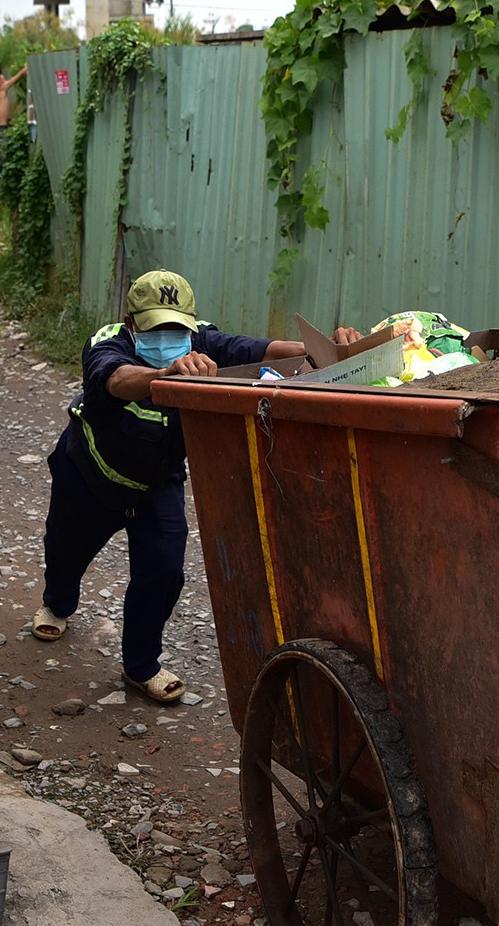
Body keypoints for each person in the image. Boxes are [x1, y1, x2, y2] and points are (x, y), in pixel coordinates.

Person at [31, 271, 338, 704]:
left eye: (177, 328)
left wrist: (331, 352)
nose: (169, 337)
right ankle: (58, 604)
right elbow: (115, 379)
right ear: (131, 322)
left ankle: (140, 665)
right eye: (156, 328)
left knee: (164, 571)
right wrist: (165, 374)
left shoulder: (204, 343)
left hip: (156, 485)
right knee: (66, 551)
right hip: (90, 478)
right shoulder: (108, 342)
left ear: (192, 324)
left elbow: (262, 350)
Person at [0, 66, 27, 203]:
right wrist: (23, 70)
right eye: (2, 78)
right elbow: (15, 79)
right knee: (3, 165)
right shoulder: (0, 91)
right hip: (3, 131)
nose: (5, 79)